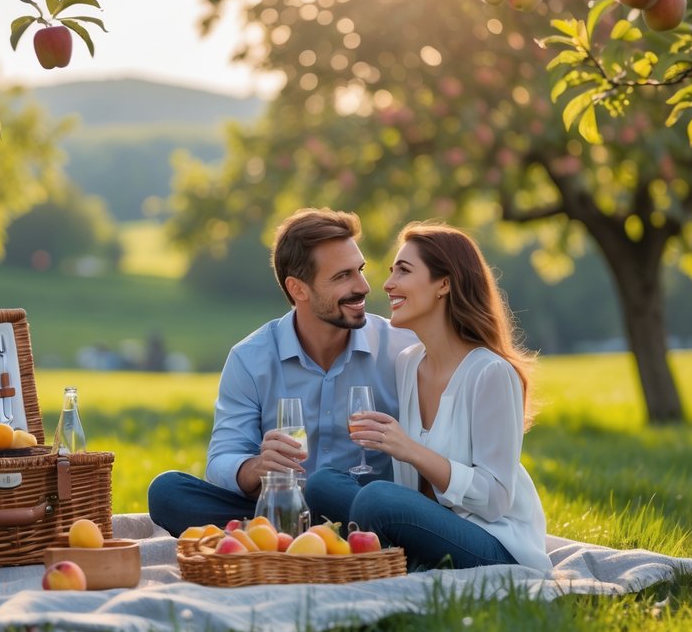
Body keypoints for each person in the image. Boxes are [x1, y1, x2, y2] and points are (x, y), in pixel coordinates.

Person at [146, 208, 418, 536]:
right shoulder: (250, 359)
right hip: (280, 506)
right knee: (168, 492)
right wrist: (255, 468)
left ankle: (278, 539)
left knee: (327, 487)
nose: (363, 286)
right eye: (342, 276)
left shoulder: (402, 349)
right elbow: (222, 458)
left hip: (362, 507)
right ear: (298, 289)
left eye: (359, 270)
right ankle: (304, 537)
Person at [305, 222, 551, 572]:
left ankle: (387, 558)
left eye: (403, 271)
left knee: (378, 500)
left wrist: (410, 450)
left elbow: (495, 499)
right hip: (431, 526)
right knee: (322, 484)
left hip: (493, 542)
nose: (388, 284)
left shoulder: (491, 373)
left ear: (445, 284)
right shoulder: (409, 364)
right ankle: (395, 555)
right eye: (391, 272)